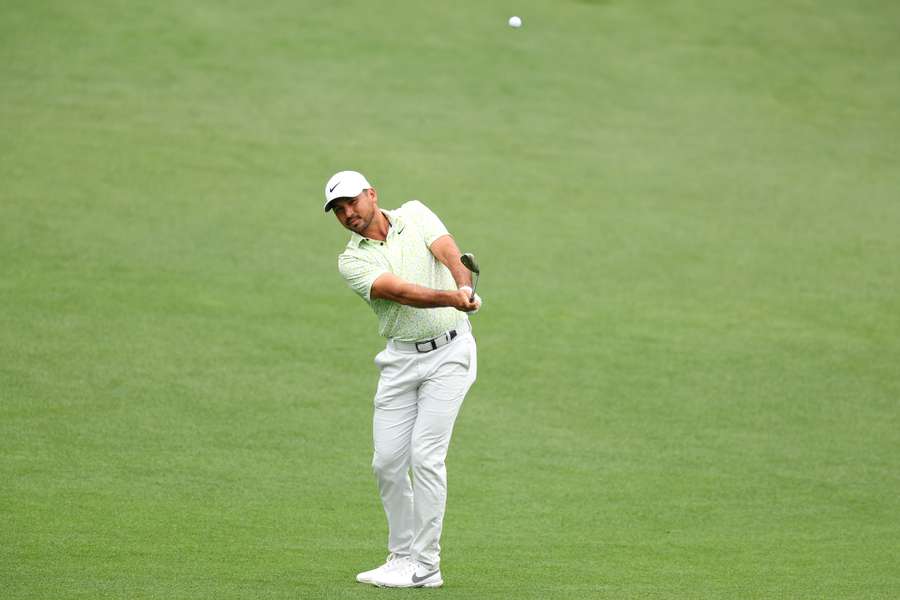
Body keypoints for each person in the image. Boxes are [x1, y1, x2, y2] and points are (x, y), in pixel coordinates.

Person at [324, 170, 481, 588]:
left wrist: (464, 285)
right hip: (399, 361)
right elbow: (399, 291)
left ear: (372, 195)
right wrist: (453, 298)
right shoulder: (352, 260)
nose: (348, 214)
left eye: (352, 202)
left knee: (425, 456)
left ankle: (426, 566)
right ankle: (402, 556)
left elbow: (449, 252)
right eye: (339, 210)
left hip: (449, 353)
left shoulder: (415, 213)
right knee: (388, 463)